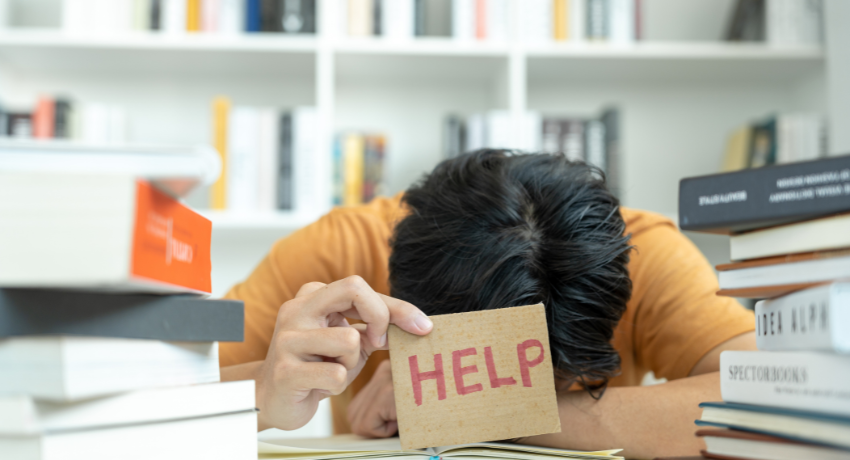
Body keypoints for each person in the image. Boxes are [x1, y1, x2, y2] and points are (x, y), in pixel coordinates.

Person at [220, 150, 756, 459]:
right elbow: (149, 394)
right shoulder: (331, 253)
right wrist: (263, 393)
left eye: (555, 381)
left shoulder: (648, 252)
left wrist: (461, 406)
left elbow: (771, 399)